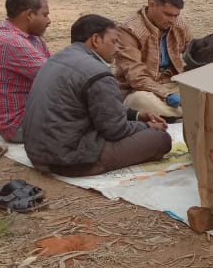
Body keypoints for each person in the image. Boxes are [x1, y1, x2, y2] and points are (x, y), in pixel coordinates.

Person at [22, 15, 171, 176]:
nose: (117, 48)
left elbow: (94, 107)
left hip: (37, 153)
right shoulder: (98, 73)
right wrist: (147, 126)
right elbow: (115, 130)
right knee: (160, 139)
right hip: (67, 160)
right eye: (114, 41)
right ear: (96, 40)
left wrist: (136, 116)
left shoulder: (57, 58)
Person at [115, 0, 191, 119]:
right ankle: (192, 113)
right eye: (168, 15)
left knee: (208, 91)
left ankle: (179, 113)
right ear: (151, 5)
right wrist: (166, 95)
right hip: (140, 90)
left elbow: (191, 54)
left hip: (173, 84)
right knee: (139, 101)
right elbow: (136, 78)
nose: (173, 20)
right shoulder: (129, 30)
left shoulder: (178, 24)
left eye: (176, 15)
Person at [0, 0, 51, 143]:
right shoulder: (11, 42)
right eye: (45, 15)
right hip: (18, 125)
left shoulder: (32, 38)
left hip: (33, 113)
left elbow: (55, 67)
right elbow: (55, 77)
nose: (48, 21)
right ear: (29, 15)